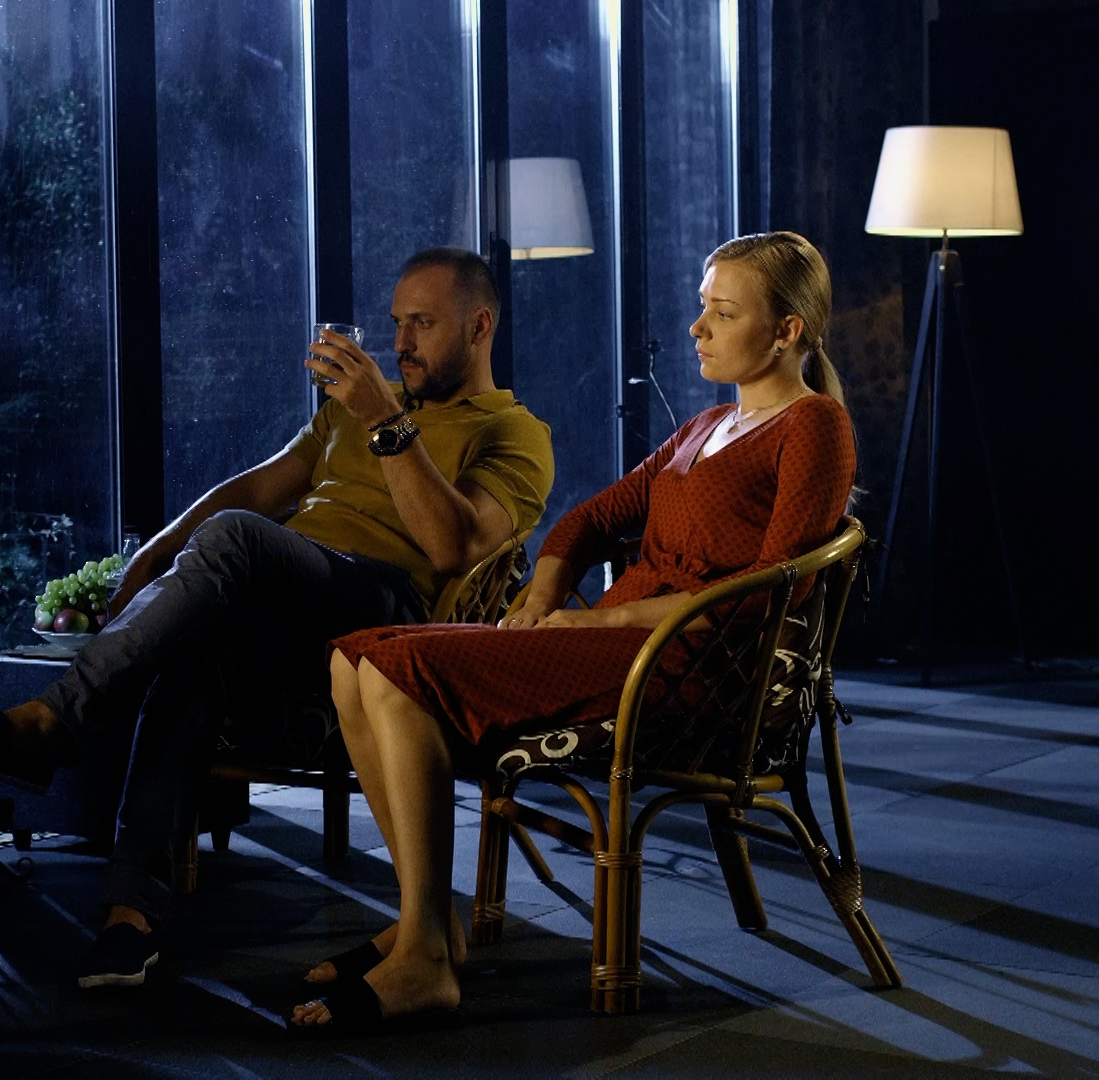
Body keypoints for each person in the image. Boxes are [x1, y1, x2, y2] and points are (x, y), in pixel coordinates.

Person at [0, 247, 554, 989]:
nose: (400, 343)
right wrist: (154, 552)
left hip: (385, 620)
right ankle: (130, 917)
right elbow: (253, 490)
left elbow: (451, 548)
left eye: (423, 324)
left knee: (235, 541)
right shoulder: (350, 415)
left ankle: (54, 721)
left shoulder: (514, 433)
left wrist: (384, 420)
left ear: (479, 326)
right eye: (396, 323)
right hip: (292, 605)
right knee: (198, 646)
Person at [293, 231, 856, 1031]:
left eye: (723, 313)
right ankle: (429, 924)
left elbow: (772, 592)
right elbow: (589, 520)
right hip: (617, 645)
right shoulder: (704, 428)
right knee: (354, 658)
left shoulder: (815, 426)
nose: (697, 327)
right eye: (702, 307)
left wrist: (611, 615)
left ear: (787, 331)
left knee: (391, 669)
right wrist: (545, 593)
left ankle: (425, 956)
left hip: (683, 665)